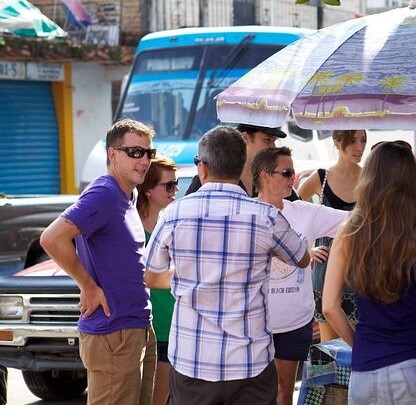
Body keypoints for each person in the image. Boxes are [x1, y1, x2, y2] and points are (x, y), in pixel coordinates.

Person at [142, 126, 311, 405]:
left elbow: (150, 270)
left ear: (203, 168)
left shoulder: (174, 214)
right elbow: (302, 258)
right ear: (242, 164)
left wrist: (191, 276)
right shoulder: (266, 218)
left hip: (192, 364)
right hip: (251, 366)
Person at [322, 141, 416, 404]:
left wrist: (359, 343)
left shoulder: (348, 234)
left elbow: (329, 308)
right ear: (410, 183)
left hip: (365, 373)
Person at [39, 119, 157, 405]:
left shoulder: (128, 194)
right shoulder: (104, 193)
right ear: (112, 154)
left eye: (148, 153)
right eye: (135, 152)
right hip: (113, 333)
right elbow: (52, 238)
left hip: (135, 326)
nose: (144, 161)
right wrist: (88, 286)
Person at [253, 146, 348, 405]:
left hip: (294, 322)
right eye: (286, 172)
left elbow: (355, 222)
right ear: (265, 175)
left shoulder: (305, 212)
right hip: (253, 323)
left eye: (293, 173)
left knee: (284, 390)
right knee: (258, 392)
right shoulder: (246, 213)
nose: (293, 179)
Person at [298, 129, 367, 341]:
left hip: (360, 268)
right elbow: (292, 212)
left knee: (356, 343)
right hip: (325, 268)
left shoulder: (368, 178)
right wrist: (307, 248)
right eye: (352, 141)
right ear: (336, 142)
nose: (359, 147)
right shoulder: (321, 177)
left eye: (363, 140)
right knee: (329, 352)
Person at [136, 155, 178, 405]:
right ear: (149, 189)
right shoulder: (133, 228)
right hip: (154, 328)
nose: (176, 190)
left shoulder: (169, 222)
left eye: (176, 184)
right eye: (169, 185)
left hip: (177, 326)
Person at [185, 123, 299, 200]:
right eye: (267, 140)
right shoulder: (210, 177)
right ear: (245, 138)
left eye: (274, 141)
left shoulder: (276, 180)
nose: (273, 147)